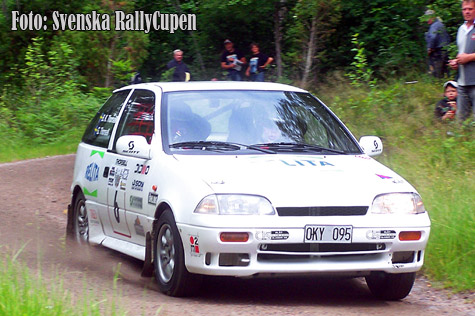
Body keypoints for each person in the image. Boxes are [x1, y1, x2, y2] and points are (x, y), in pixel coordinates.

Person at [449, 0, 475, 123]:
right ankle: (462, 140)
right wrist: (456, 61)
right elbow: (462, 52)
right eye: (464, 9)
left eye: (470, 9)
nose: (467, 12)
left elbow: (467, 56)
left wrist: (468, 58)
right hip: (462, 82)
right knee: (461, 121)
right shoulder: (461, 29)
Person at [424, 10, 450, 78]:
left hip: (438, 52)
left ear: (432, 17)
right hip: (445, 50)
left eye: (428, 18)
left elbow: (433, 37)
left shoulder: (434, 25)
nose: (427, 21)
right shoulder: (441, 24)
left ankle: (437, 85)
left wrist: (430, 48)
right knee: (445, 71)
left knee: (436, 73)